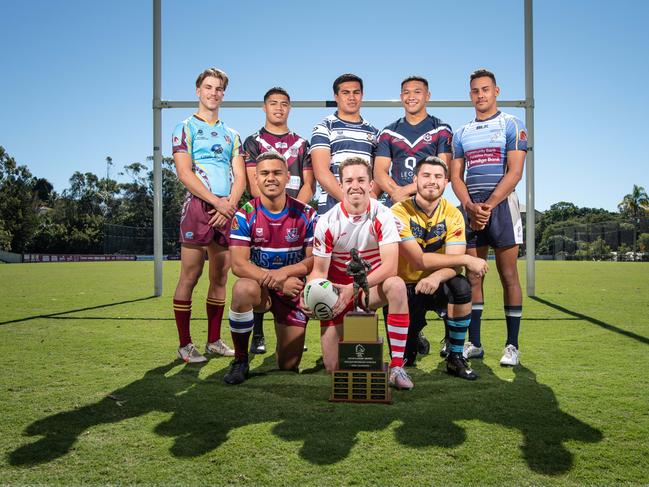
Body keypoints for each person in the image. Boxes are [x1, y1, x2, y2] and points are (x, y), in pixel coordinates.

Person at [303, 157, 414, 390]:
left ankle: (396, 366)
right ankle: (368, 348)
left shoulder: (382, 215)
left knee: (395, 284)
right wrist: (310, 294)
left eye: (362, 180)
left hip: (366, 291)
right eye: (349, 180)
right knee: (334, 367)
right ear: (340, 185)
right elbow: (319, 271)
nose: (356, 186)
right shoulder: (327, 221)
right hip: (337, 294)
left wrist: (352, 290)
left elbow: (390, 267)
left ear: (371, 184)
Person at [450, 69, 528, 366]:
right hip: (471, 211)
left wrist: (488, 206)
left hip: (502, 209)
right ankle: (475, 342)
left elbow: (515, 172)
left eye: (485, 89)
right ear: (470, 95)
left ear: (496, 91)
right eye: (475, 91)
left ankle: (512, 345)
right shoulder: (462, 132)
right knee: (473, 275)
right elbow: (456, 176)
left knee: (508, 275)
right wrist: (470, 206)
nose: (480, 95)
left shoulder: (512, 124)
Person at [374, 75, 454, 357]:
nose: (411, 96)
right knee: (395, 274)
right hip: (399, 212)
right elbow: (379, 171)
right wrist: (396, 194)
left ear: (428, 95)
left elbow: (443, 170)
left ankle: (450, 339)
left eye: (417, 92)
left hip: (430, 208)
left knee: (441, 269)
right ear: (400, 96)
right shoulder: (388, 132)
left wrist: (404, 190)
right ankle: (407, 337)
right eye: (406, 92)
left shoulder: (440, 129)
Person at [171, 67, 246, 363]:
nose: (213, 93)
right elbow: (183, 172)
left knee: (220, 276)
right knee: (191, 274)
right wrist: (215, 201)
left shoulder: (232, 135)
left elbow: (240, 176)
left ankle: (214, 340)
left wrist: (228, 203)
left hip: (226, 209)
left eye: (218, 89)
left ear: (223, 95)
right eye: (208, 87)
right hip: (198, 207)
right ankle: (185, 344)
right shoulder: (184, 127)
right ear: (198, 90)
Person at [391, 156, 489, 379]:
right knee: (407, 358)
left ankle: (455, 357)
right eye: (426, 175)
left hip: (437, 284)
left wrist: (436, 277)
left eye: (438, 177)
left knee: (462, 286)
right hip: (406, 287)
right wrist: (467, 259)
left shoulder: (453, 213)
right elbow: (418, 261)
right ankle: (414, 338)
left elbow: (454, 263)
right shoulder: (397, 212)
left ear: (446, 182)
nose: (432, 181)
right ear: (415, 179)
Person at [225, 152, 317, 385]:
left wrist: (284, 274)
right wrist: (277, 281)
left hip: (292, 289)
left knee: (288, 365)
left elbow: (312, 261)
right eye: (264, 173)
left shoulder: (306, 214)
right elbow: (238, 264)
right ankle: (240, 359)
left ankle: (283, 343)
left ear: (288, 177)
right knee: (242, 289)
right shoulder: (244, 214)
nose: (271, 178)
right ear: (255, 178)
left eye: (277, 173)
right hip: (261, 287)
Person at [243, 87, 315, 354]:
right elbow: (254, 185)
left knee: (298, 269)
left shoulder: (301, 143)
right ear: (264, 107)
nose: (278, 108)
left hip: (296, 217)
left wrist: (296, 211)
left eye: (284, 104)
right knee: (260, 268)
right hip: (265, 213)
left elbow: (309, 183)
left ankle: (295, 327)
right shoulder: (252, 141)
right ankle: (258, 333)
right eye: (273, 103)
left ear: (289, 108)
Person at [310, 73, 379, 216]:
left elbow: (378, 173)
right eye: (345, 93)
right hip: (332, 207)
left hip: (367, 209)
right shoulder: (324, 127)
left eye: (356, 92)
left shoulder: (374, 132)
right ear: (336, 97)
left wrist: (369, 199)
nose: (352, 97)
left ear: (362, 95)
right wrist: (350, 201)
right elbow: (321, 172)